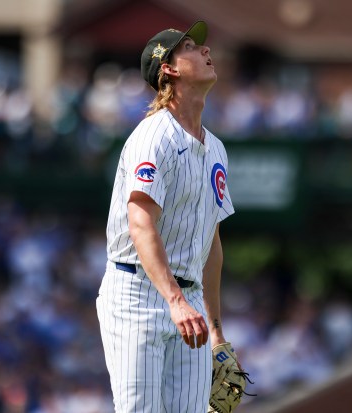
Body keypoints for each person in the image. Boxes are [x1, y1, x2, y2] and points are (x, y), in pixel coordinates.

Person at [96, 20, 235, 413]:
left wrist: (217, 333)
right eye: (191, 47)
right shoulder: (154, 136)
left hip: (188, 304)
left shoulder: (217, 149)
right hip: (137, 295)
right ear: (169, 69)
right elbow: (141, 223)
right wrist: (174, 300)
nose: (206, 51)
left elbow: (212, 243)